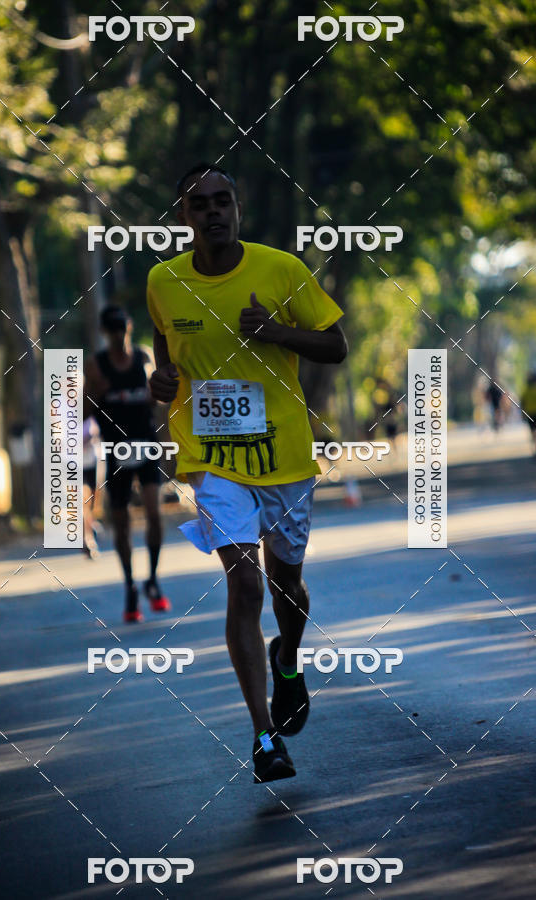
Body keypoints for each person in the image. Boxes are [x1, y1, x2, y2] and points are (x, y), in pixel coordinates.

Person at [147, 164, 347, 783]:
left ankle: (288, 657)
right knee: (246, 585)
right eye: (199, 203)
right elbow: (166, 359)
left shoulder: (281, 270)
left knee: (288, 583)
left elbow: (335, 345)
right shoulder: (163, 281)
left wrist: (276, 332)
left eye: (222, 201)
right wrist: (160, 386)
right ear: (184, 217)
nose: (212, 212)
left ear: (238, 208)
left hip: (283, 455)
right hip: (212, 461)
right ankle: (263, 738)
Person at [84, 305, 171, 622]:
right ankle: (131, 585)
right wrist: (94, 394)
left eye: (122, 328)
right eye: (112, 329)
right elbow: (81, 414)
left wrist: (154, 393)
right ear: (105, 332)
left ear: (129, 327)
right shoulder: (95, 366)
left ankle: (153, 579)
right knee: (121, 521)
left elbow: (160, 398)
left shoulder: (144, 357)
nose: (118, 335)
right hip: (116, 449)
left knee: (153, 513)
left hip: (146, 443)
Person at [82, 415, 101, 559]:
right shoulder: (59, 404)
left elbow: (97, 427)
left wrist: (91, 435)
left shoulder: (88, 399)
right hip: (71, 461)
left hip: (92, 459)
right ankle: (88, 540)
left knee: (92, 501)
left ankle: (90, 523)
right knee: (83, 500)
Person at [520, 371, 536, 457]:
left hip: (530, 413)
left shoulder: (526, 391)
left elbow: (523, 402)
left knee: (533, 431)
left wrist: (523, 413)